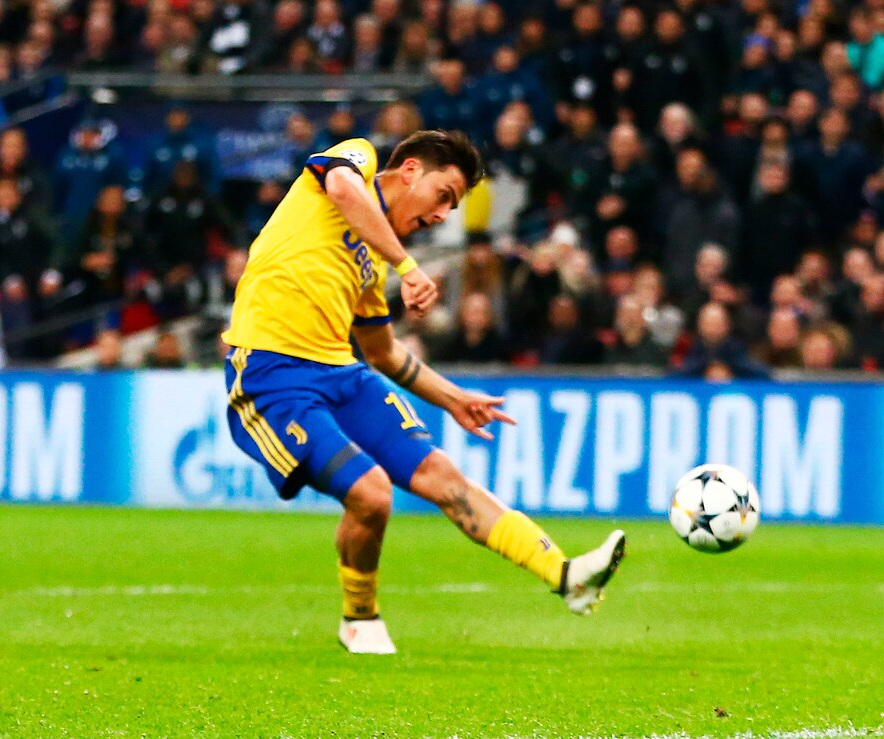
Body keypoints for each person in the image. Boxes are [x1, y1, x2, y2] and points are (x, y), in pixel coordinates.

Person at [221, 130, 626, 654]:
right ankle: (360, 619)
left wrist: (453, 398)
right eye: (443, 196)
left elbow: (384, 353)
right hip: (272, 373)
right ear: (410, 169)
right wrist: (407, 266)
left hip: (341, 372)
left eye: (451, 207)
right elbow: (342, 187)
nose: (440, 215)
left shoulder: (370, 259)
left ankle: (565, 574)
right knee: (371, 494)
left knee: (442, 475)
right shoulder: (358, 159)